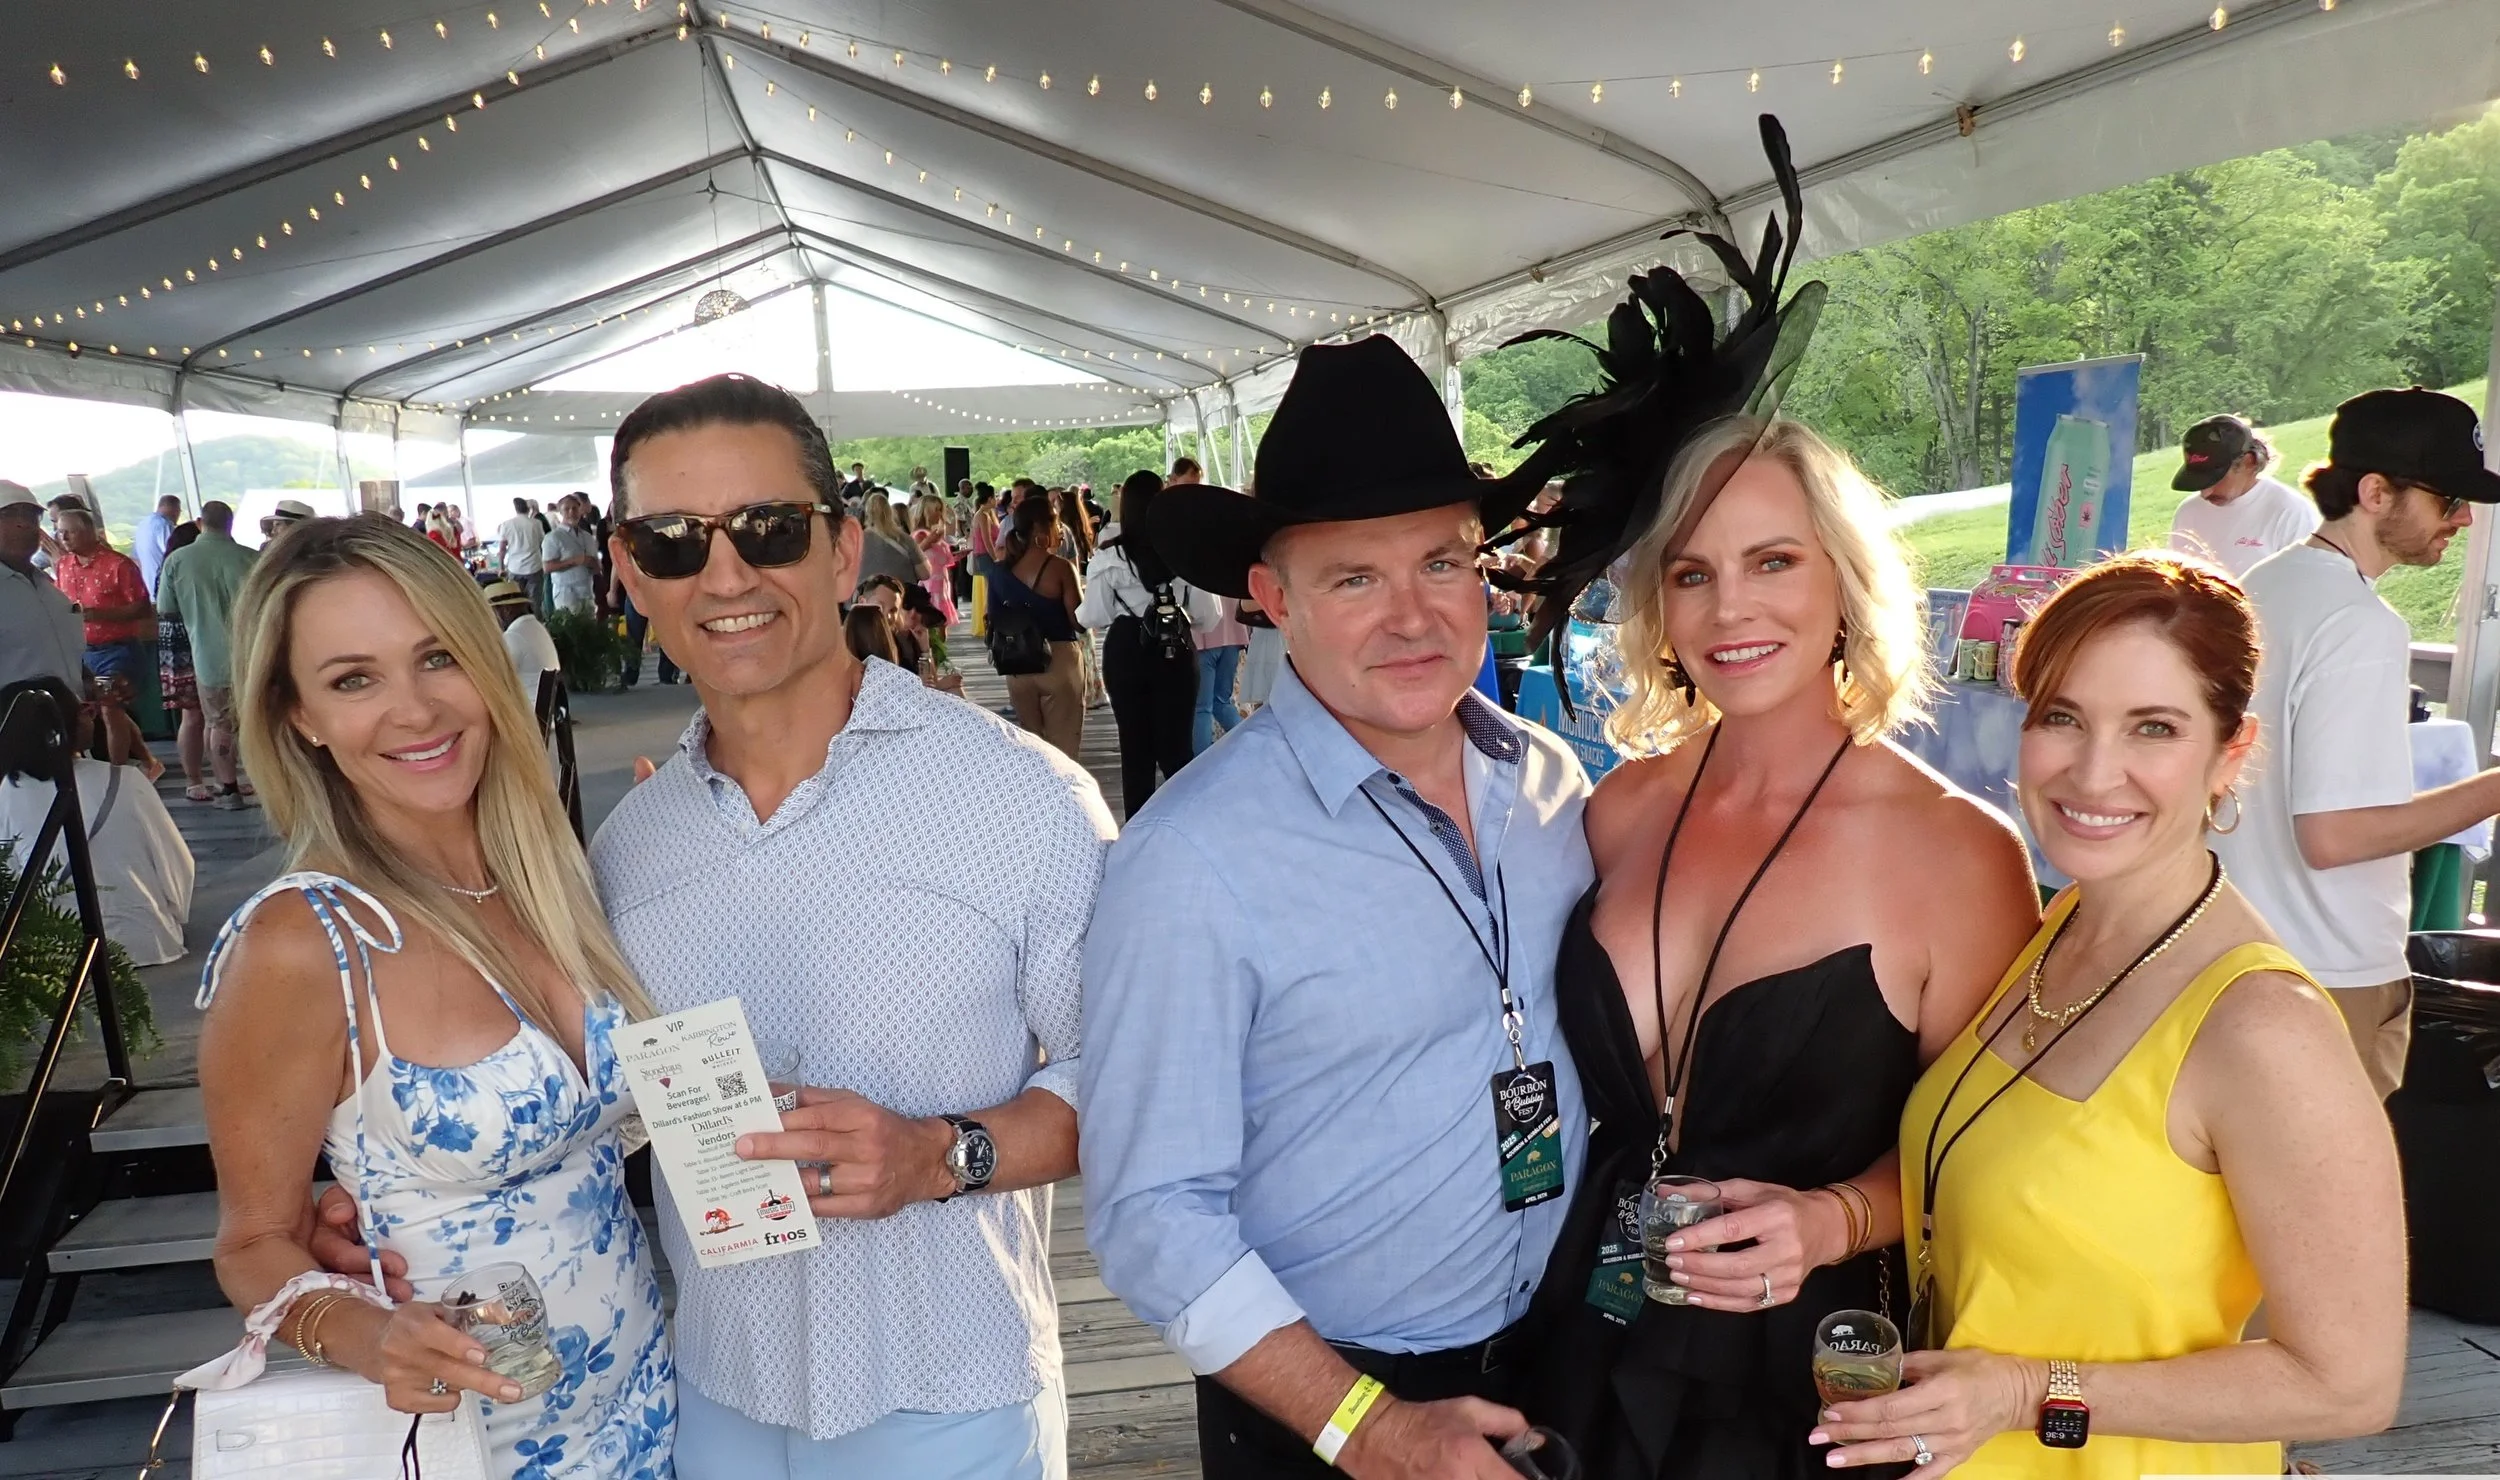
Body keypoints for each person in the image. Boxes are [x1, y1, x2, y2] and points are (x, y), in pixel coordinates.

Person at [575, 372, 1112, 1478]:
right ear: (629, 570)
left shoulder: (1020, 798)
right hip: (719, 1389)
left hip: (952, 1393)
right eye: (674, 541)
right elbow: (611, 1110)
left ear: (839, 549)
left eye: (769, 529)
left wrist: (939, 1154)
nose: (727, 574)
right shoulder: (628, 849)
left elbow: (1136, 1078)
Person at [1086, 336, 1594, 1480]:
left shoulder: (1553, 782)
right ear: (1271, 598)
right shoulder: (1191, 858)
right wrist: (1365, 1423)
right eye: (1355, 579)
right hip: (1324, 1400)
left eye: (1441, 563)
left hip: (1559, 1362)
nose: (1412, 616)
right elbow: (1152, 1212)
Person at [1515, 419, 2040, 1480]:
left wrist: (1832, 1219)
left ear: (1844, 583)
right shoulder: (1621, 808)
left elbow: (1989, 1156)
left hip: (1804, 1381)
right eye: (1693, 571)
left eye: (1774, 561)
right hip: (1591, 1318)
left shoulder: (1956, 852)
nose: (1731, 608)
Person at [1817, 552, 2407, 1476]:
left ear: (2231, 752)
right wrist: (1824, 1218)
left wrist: (2022, 1392)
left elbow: (2350, 1385)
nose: (2094, 773)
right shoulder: (2061, 927)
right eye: (2063, 717)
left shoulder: (2262, 1026)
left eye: (2154, 728)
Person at [199, 516, 675, 1478]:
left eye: (436, 657)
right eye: (353, 679)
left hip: (655, 1408)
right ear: (299, 715)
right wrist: (369, 1338)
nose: (415, 710)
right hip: (474, 1445)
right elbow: (252, 1240)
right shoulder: (306, 943)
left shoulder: (548, 875)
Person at [2217, 387, 2500, 1098]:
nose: (2464, 519)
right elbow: (2334, 836)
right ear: (2377, 492)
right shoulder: (2361, 623)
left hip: (2241, 958)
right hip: (2330, 973)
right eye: (2448, 500)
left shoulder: (2261, 586)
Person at [1, 676, 195, 964]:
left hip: (54, 951)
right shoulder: (126, 781)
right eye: (86, 711)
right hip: (146, 940)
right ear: (64, 727)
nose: (91, 717)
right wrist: (174, 915)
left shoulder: (6, 795)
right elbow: (177, 864)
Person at [1077, 470, 1216, 816]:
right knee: (1177, 749)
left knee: (1134, 750)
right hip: (1175, 648)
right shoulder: (1186, 551)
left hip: (1126, 649)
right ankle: (1187, 826)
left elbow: (1092, 615)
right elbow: (1207, 617)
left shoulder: (1110, 558)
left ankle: (1139, 836)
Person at [156, 500, 261, 810]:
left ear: (200, 523)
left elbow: (166, 609)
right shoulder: (251, 559)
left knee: (218, 723)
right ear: (230, 525)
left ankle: (228, 790)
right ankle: (267, 786)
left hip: (208, 659)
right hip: (253, 657)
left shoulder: (178, 560)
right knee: (256, 723)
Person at [989, 494, 1087, 759]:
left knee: (1031, 748)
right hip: (1059, 661)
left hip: (1017, 664)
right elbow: (1078, 621)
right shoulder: (1062, 569)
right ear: (1041, 530)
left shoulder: (999, 572)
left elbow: (994, 618)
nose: (1060, 531)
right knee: (1064, 751)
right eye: (1056, 523)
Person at [2166, 415, 2319, 577]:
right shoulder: (2188, 512)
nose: (2205, 492)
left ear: (2249, 462)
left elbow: (2307, 584)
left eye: (2216, 479)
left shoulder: (2292, 512)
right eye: (2199, 481)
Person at [48, 505, 155, 693]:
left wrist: (98, 614)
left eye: (70, 532)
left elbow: (143, 608)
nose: (63, 538)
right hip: (79, 652)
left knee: (112, 707)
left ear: (89, 532)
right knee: (95, 713)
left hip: (117, 651)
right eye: (60, 532)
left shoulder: (118, 565)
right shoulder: (64, 565)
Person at [1, 485, 85, 696]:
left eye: (32, 515)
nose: (23, 523)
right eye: (8, 515)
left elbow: (61, 656)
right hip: (15, 723)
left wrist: (93, 685)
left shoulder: (50, 589)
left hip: (70, 720)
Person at [157, 520, 214, 802]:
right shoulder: (182, 567)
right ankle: (198, 778)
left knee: (198, 716)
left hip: (178, 646)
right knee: (199, 716)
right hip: (189, 643)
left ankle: (203, 779)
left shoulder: (169, 567)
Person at [483, 578, 562, 692]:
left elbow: (493, 678)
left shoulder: (513, 636)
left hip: (528, 706)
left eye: (491, 612)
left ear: (506, 610)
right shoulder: (536, 627)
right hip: (545, 704)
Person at [855, 489, 927, 591]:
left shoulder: (856, 541)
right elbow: (925, 573)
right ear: (890, 512)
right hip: (902, 598)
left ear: (866, 514)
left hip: (866, 599)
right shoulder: (905, 539)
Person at [542, 496, 600, 614]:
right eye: (567, 509)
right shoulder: (553, 537)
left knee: (589, 627)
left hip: (587, 590)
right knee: (569, 628)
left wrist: (593, 564)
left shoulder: (587, 536)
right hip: (565, 592)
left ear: (580, 510)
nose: (571, 512)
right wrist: (575, 561)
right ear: (560, 511)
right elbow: (547, 567)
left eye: (574, 508)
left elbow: (596, 565)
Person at [910, 494, 959, 626]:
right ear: (927, 511)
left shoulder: (936, 533)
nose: (939, 514)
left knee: (943, 622)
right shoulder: (920, 534)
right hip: (930, 585)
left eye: (940, 510)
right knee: (935, 621)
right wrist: (929, 541)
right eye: (936, 510)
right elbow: (915, 553)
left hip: (942, 583)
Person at [497, 497, 548, 610]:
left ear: (515, 509)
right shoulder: (536, 523)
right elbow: (542, 544)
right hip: (534, 566)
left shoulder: (506, 525)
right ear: (528, 508)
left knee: (516, 603)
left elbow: (502, 549)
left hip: (515, 567)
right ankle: (536, 625)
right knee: (535, 603)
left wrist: (501, 568)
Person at [969, 484, 1001, 639]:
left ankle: (990, 622)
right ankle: (989, 622)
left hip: (984, 556)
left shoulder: (985, 514)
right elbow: (987, 541)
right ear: (990, 499)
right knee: (991, 590)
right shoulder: (983, 516)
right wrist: (996, 558)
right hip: (985, 556)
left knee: (991, 589)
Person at [135, 494, 181, 597]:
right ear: (176, 510)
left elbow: (136, 559)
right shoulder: (165, 525)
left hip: (149, 589)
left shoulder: (142, 524)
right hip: (165, 588)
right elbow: (175, 556)